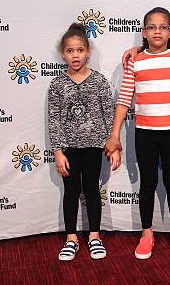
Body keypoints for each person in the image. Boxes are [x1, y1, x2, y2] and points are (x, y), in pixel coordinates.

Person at [105, 7, 170, 260]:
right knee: (148, 183)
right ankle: (146, 233)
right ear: (143, 32)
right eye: (151, 27)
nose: (157, 31)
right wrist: (114, 135)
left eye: (163, 27)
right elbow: (123, 99)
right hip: (144, 134)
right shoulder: (135, 61)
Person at [48, 23, 120, 262]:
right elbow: (54, 119)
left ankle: (94, 237)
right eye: (70, 51)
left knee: (91, 191)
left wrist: (113, 145)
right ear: (63, 53)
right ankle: (71, 239)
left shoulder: (99, 81)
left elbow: (109, 116)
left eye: (79, 50)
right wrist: (57, 151)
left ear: (88, 51)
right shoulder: (57, 85)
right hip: (68, 150)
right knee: (70, 193)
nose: (75, 55)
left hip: (93, 148)